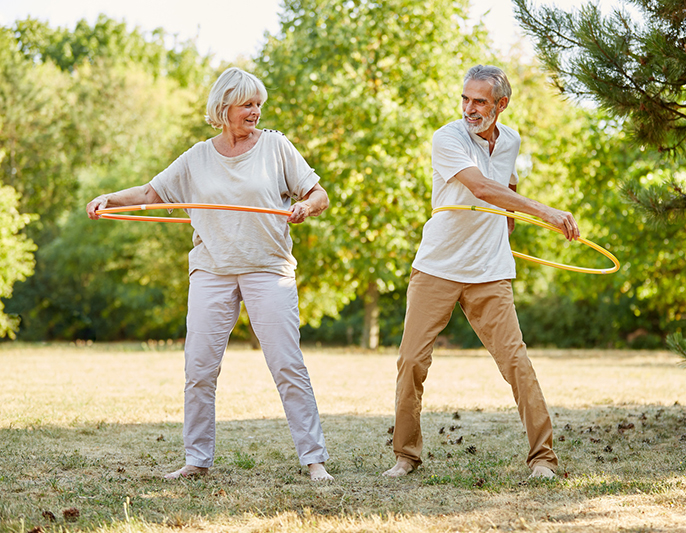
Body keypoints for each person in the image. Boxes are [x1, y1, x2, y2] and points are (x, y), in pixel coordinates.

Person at [87, 67, 333, 481]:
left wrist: (306, 207)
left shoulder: (276, 147)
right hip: (212, 270)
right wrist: (109, 198)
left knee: (287, 364)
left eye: (259, 104)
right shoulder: (198, 157)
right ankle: (196, 460)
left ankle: (314, 460)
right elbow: (151, 194)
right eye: (247, 104)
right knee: (199, 368)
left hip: (266, 268)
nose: (256, 112)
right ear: (223, 108)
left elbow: (318, 193)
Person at [383, 65, 580, 480]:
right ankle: (406, 455)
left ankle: (543, 459)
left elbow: (504, 183)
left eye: (480, 101)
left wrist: (508, 219)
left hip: (489, 269)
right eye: (465, 99)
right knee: (412, 361)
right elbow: (483, 189)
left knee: (516, 361)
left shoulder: (510, 139)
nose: (469, 108)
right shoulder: (448, 137)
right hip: (438, 266)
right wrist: (546, 212)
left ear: (501, 105)